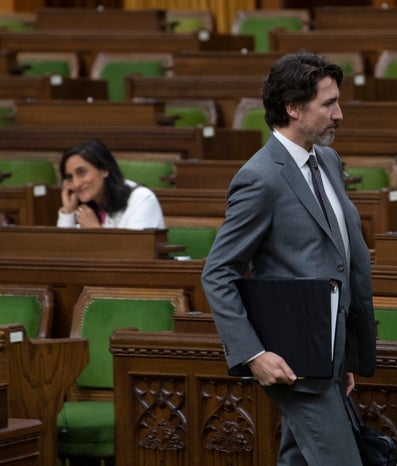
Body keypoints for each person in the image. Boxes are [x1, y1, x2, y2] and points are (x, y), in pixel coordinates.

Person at [201, 52, 376, 465]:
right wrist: (253, 354)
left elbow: (338, 256)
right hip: (292, 361)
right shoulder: (259, 178)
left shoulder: (327, 161)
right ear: (293, 108)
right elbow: (218, 273)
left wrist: (343, 355)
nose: (340, 114)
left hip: (326, 355)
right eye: (328, 104)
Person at [57, 139, 165, 229]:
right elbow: (61, 251)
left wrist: (95, 229)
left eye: (82, 173)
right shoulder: (86, 210)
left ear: (104, 169)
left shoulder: (142, 199)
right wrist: (68, 212)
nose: (75, 184)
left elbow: (136, 252)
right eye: (70, 178)